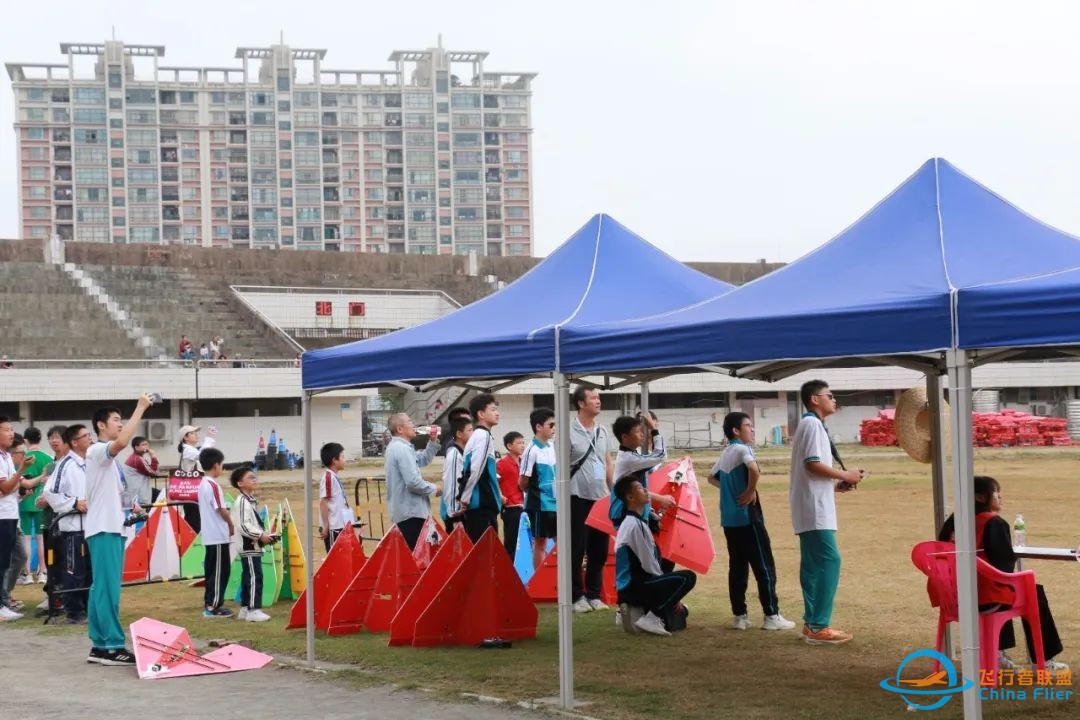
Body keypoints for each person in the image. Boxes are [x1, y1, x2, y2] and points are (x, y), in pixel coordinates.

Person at [938, 476, 1067, 672]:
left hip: (953, 596)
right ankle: (1042, 661)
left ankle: (998, 653)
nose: (1000, 497)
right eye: (996, 493)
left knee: (1005, 587)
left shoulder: (953, 522)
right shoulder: (992, 522)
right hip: (984, 597)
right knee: (1028, 591)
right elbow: (1003, 564)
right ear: (981, 497)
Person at [790, 380, 864, 646]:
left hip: (812, 505)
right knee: (830, 561)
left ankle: (812, 623)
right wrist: (845, 473)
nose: (834, 400)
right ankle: (819, 625)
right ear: (814, 399)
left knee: (812, 566)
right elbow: (812, 465)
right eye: (830, 396)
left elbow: (813, 470)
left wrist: (836, 484)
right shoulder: (811, 424)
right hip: (814, 508)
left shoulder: (811, 425)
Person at [709, 412, 795, 632]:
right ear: (736, 431)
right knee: (764, 566)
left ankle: (739, 616)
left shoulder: (726, 452)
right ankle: (771, 615)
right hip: (748, 519)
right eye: (748, 425)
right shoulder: (742, 449)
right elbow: (754, 469)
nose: (753, 429)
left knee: (737, 568)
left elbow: (711, 477)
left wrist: (730, 491)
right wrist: (749, 491)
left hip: (729, 520)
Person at [83, 396, 152, 665]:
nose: (120, 425)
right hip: (104, 529)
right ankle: (111, 645)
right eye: (115, 420)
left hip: (108, 527)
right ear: (101, 425)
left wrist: (130, 510)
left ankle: (100, 645)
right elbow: (122, 442)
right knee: (107, 588)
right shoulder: (97, 450)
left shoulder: (106, 460)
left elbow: (116, 495)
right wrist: (141, 407)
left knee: (101, 588)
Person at [613, 475, 697, 637]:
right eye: (639, 488)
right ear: (630, 497)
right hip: (635, 587)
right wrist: (668, 590)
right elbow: (648, 564)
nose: (645, 490)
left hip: (632, 586)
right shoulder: (634, 525)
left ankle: (657, 614)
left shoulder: (635, 522)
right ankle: (653, 617)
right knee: (688, 578)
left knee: (679, 614)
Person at [567, 386, 615, 613]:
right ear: (580, 403)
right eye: (593, 398)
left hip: (601, 497)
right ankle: (576, 596)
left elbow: (607, 461)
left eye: (598, 397)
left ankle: (594, 593)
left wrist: (612, 489)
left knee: (599, 548)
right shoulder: (568, 430)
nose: (598, 401)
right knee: (577, 547)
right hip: (577, 495)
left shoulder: (603, 431)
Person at [41, 425, 92, 624]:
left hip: (91, 525)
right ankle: (74, 612)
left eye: (90, 435)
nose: (90, 438)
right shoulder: (65, 465)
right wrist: (73, 503)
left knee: (89, 572)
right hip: (72, 528)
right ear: (74, 441)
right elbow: (50, 492)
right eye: (85, 436)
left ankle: (88, 609)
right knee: (73, 571)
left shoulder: (89, 462)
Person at [383, 412, 440, 550]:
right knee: (417, 556)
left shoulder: (401, 447)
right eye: (410, 422)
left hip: (407, 512)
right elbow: (413, 482)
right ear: (400, 429)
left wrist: (432, 441)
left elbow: (422, 459)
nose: (414, 425)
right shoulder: (401, 449)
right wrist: (435, 489)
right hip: (411, 513)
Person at [611, 414, 676, 532]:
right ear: (625, 437)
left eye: (642, 431)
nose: (642, 434)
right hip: (625, 516)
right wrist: (654, 429)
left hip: (631, 515)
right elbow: (661, 456)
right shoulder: (629, 459)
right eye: (637, 432)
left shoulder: (631, 455)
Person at [0, 417, 34, 621]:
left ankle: (3, 603)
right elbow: (6, 487)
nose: (11, 433)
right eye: (6, 429)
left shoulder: (5, 456)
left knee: (5, 562)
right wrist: (21, 469)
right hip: (2, 516)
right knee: (2, 562)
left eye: (12, 429)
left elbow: (19, 486)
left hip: (10, 514)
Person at [457, 393, 502, 542]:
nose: (497, 413)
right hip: (481, 505)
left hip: (480, 505)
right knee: (484, 554)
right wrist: (465, 498)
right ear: (481, 414)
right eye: (493, 409)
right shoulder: (483, 436)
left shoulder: (479, 435)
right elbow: (475, 470)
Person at [231, 466, 272, 622]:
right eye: (250, 478)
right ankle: (254, 610)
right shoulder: (242, 502)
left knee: (248, 576)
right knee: (255, 577)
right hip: (249, 546)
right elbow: (243, 525)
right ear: (240, 483)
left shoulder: (249, 501)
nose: (254, 480)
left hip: (251, 545)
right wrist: (260, 535)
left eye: (255, 477)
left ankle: (245, 608)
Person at [197, 447, 234, 618]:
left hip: (210, 535)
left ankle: (210, 603)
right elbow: (221, 509)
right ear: (216, 465)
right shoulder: (212, 485)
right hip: (217, 535)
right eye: (221, 464)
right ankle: (214, 606)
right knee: (220, 572)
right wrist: (230, 524)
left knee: (213, 571)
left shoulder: (203, 484)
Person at [521, 408, 557, 569]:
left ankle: (561, 579)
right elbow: (523, 481)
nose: (554, 428)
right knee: (540, 543)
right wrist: (536, 492)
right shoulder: (531, 450)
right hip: (538, 504)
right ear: (538, 427)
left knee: (561, 541)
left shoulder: (552, 447)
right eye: (551, 425)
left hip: (556, 503)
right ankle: (539, 580)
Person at [18, 426, 51, 584]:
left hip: (24, 501)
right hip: (42, 502)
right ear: (41, 439)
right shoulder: (48, 458)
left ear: (25, 441)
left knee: (25, 538)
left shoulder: (22, 459)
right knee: (41, 538)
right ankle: (43, 572)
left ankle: (27, 574)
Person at [177, 424, 217, 533]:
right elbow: (203, 455)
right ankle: (191, 543)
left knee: (195, 517)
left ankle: (192, 540)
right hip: (191, 491)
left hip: (192, 490)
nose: (196, 435)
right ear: (185, 437)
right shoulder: (187, 450)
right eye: (193, 433)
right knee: (194, 519)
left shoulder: (190, 449)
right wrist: (209, 438)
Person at [440, 416, 473, 535]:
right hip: (456, 515)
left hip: (463, 512)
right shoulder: (454, 455)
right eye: (469, 430)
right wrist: (455, 513)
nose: (473, 434)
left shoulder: (464, 453)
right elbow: (452, 483)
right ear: (459, 433)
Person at [319, 442, 354, 551]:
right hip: (333, 528)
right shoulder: (328, 477)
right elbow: (323, 502)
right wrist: (325, 526)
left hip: (341, 525)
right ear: (334, 460)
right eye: (342, 457)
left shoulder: (334, 477)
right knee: (334, 560)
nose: (345, 460)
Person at [497, 431, 525, 558]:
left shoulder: (524, 462)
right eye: (519, 443)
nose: (522, 445)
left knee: (525, 542)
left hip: (525, 506)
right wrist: (500, 496)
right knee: (511, 542)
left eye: (523, 442)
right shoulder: (502, 464)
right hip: (511, 508)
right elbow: (494, 481)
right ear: (509, 446)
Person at [122, 436, 159, 508]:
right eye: (143, 444)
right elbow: (154, 473)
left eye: (147, 444)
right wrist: (153, 456)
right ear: (136, 447)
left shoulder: (136, 457)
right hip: (139, 497)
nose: (147, 446)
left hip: (134, 495)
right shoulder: (137, 459)